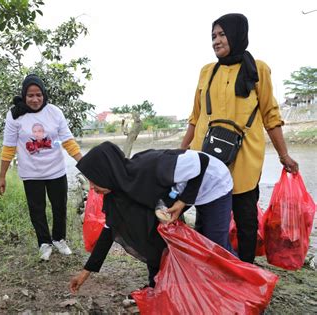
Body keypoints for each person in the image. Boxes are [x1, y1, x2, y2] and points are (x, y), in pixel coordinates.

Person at [180, 13, 299, 264]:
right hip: (208, 158)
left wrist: (284, 155)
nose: (216, 41)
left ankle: (245, 272)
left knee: (246, 220)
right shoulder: (206, 72)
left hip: (244, 160)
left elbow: (270, 116)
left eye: (222, 34)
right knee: (206, 216)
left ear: (237, 34)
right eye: (213, 36)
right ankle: (207, 268)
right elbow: (195, 116)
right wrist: (181, 152)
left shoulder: (259, 69)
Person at [69, 141, 233, 293]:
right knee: (192, 243)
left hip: (213, 182)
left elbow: (202, 160)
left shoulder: (151, 167)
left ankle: (241, 287)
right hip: (185, 188)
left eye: (94, 180)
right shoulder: (118, 192)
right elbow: (111, 229)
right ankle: (160, 284)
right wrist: (86, 272)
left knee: (216, 246)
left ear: (106, 173)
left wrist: (183, 201)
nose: (92, 187)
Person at [0, 74, 82, 261]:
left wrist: (84, 164)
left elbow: (68, 141)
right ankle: (44, 243)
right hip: (31, 172)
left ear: (44, 94)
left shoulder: (54, 112)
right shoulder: (15, 115)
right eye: (30, 95)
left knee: (60, 206)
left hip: (56, 170)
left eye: (38, 95)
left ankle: (59, 239)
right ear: (24, 95)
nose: (35, 99)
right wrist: (2, 176)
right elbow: (8, 147)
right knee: (37, 209)